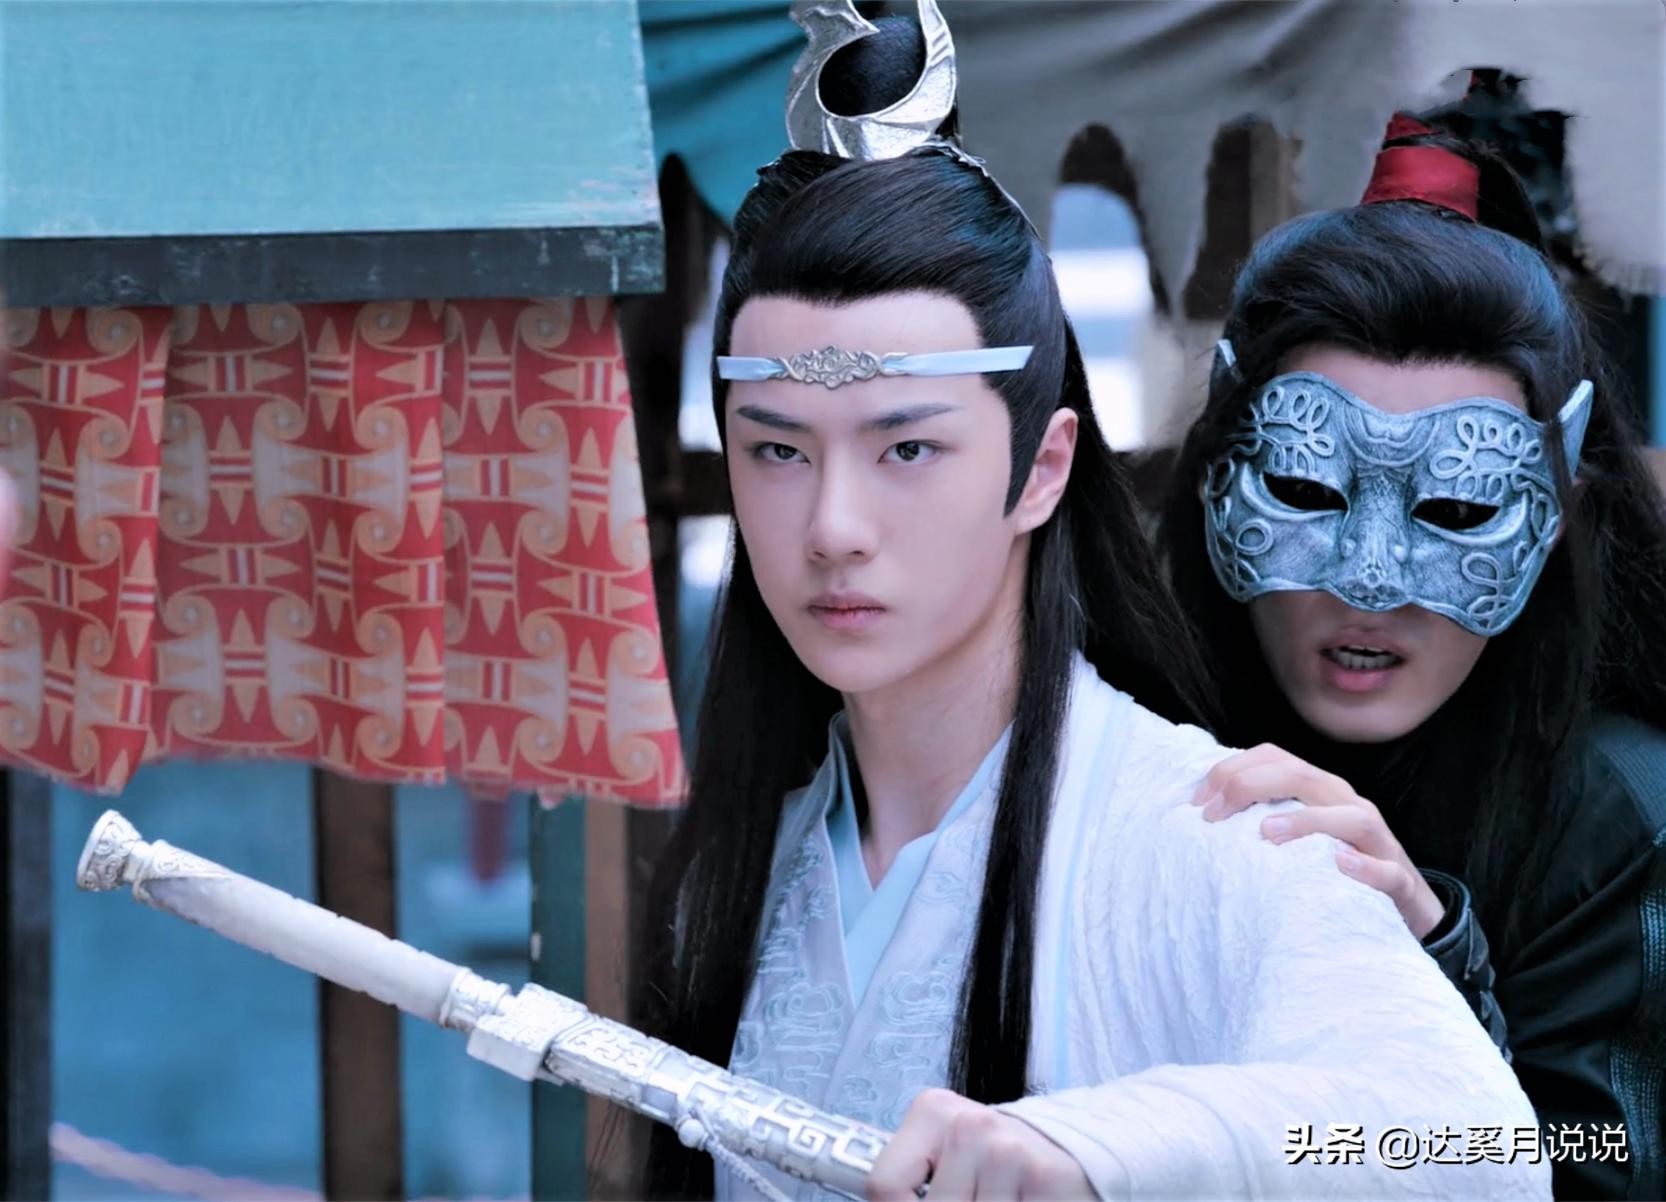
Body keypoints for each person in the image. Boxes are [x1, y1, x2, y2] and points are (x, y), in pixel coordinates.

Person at [633, 6, 1548, 1199]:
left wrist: (1121, 1142)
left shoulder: (1215, 831)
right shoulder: (743, 868)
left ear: (1042, 467)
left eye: (906, 448)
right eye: (777, 449)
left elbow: (1475, 1144)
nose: (832, 525)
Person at [1158, 113, 1666, 1201]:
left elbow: (1599, 1162)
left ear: (1558, 515)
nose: (1370, 580)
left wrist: (1431, 970)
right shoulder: (1132, 727)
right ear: (1216, 476)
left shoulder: (1624, 815)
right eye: (1305, 489)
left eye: (1457, 507)